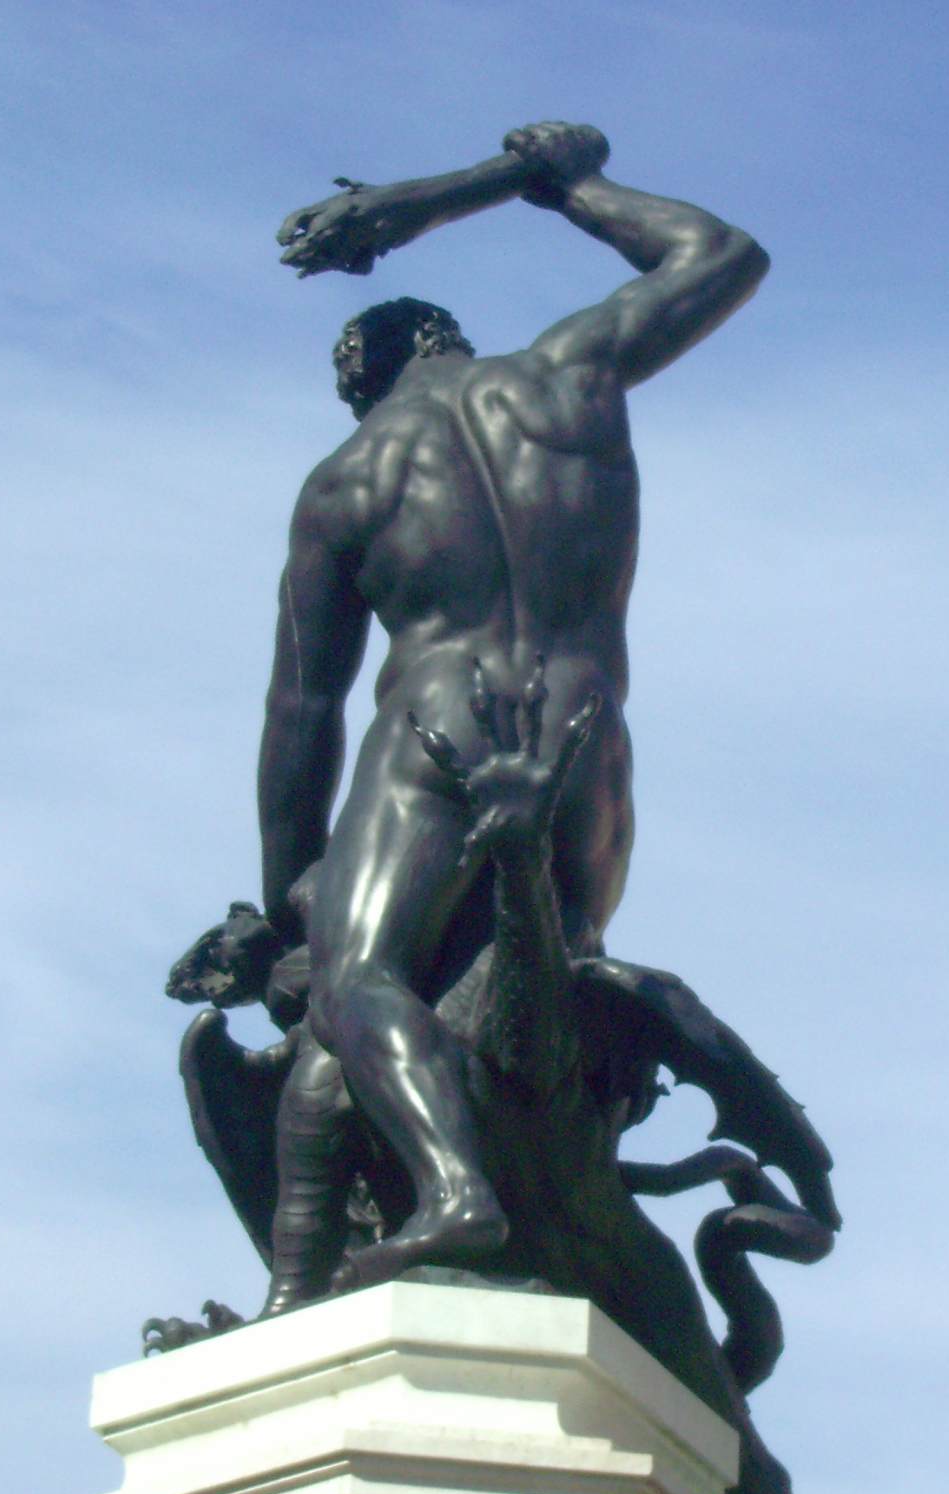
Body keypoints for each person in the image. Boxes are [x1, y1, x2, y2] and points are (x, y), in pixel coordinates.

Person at [246, 121, 770, 1289]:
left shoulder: (345, 482)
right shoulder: (563, 375)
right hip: (584, 725)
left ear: (360, 383)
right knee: (556, 985)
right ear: (450, 340)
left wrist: (293, 893)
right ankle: (552, 1235)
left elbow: (302, 713)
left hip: (430, 721)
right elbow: (723, 255)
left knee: (359, 981)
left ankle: (454, 1192)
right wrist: (561, 185)